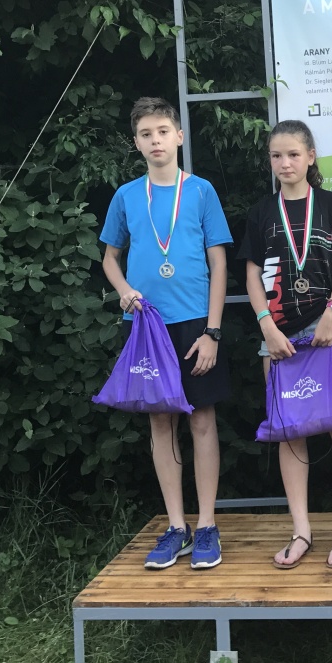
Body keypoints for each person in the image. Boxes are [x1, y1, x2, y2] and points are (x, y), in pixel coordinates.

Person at [100, 97, 233, 570]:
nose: (155, 141)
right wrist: (124, 290)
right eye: (145, 134)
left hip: (196, 322)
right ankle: (177, 526)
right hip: (147, 325)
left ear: (179, 136)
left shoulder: (200, 191)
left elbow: (220, 263)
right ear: (136, 143)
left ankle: (207, 524)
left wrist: (213, 330)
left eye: (162, 131)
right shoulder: (125, 196)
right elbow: (109, 258)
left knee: (202, 420)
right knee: (160, 422)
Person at [238, 120, 332, 568]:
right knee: (289, 430)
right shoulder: (261, 212)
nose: (285, 163)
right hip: (277, 335)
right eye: (276, 156)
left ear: (311, 156)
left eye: (293, 154)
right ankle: (301, 530)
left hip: (328, 330)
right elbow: (252, 274)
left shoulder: (331, 205)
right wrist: (266, 328)